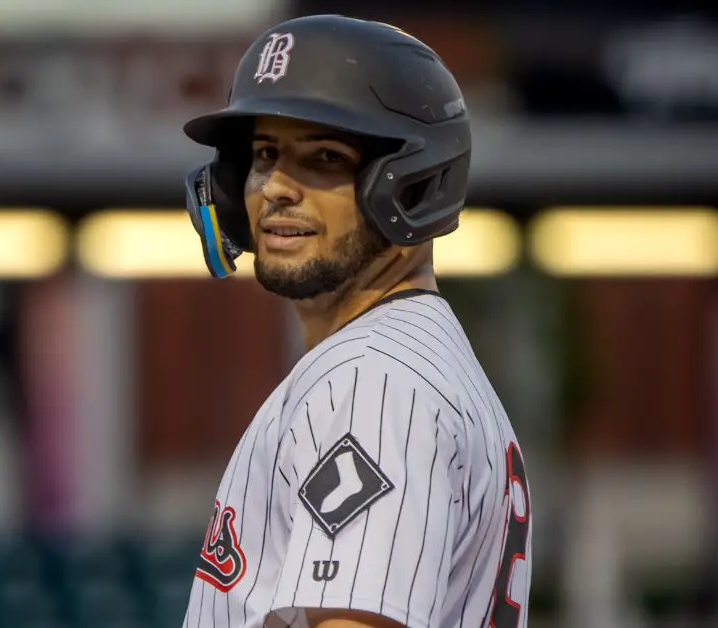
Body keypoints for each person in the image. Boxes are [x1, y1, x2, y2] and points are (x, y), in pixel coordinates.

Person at [179, 14, 531, 628]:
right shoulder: (405, 364)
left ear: (413, 186)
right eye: (265, 154)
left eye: (324, 156)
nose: (277, 186)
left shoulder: (373, 384)